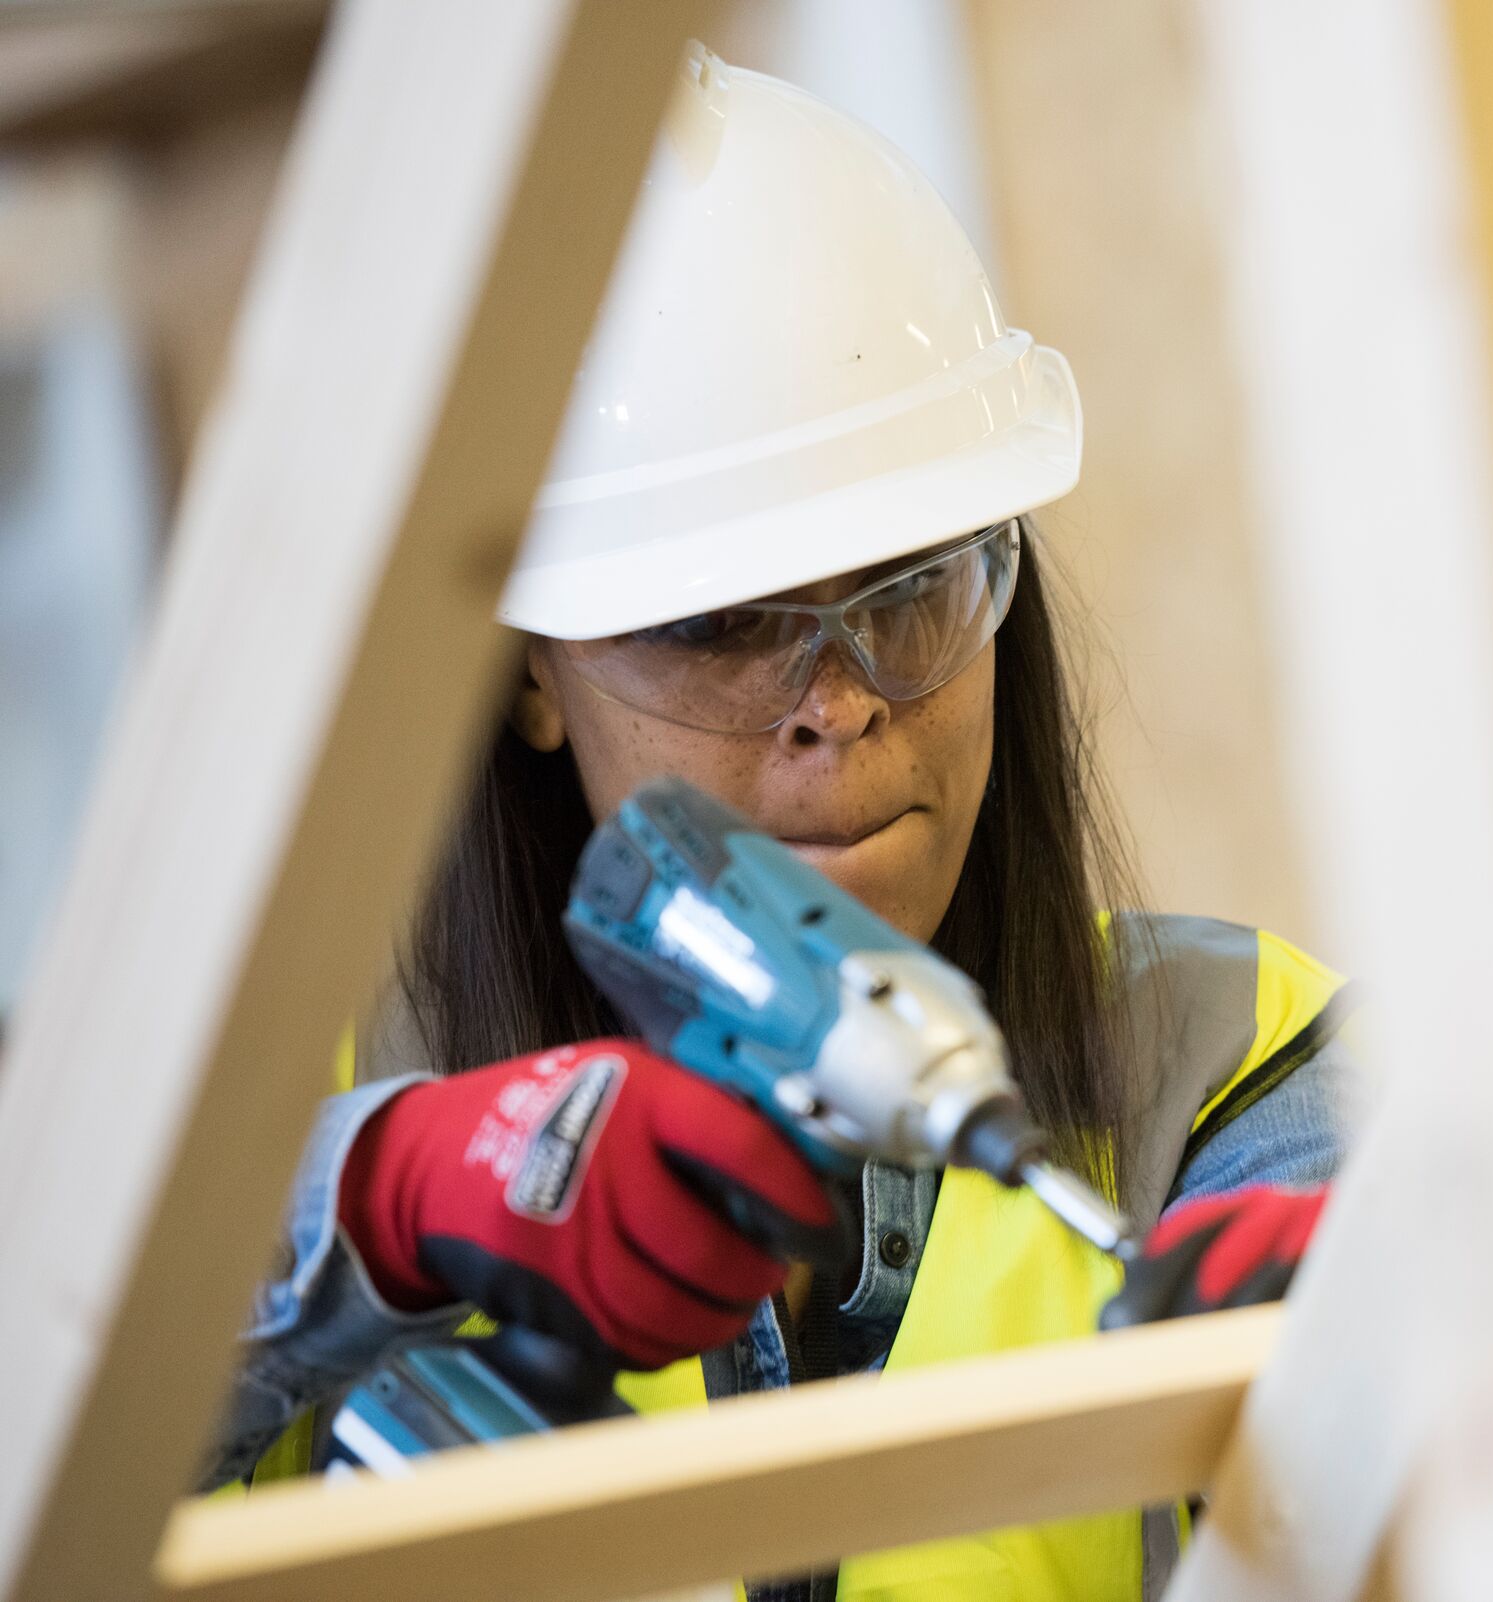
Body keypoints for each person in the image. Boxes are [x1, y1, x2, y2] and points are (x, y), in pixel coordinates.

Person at [205, 44, 1350, 1602]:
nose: (847, 703)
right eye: (730, 625)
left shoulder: (1229, 1061)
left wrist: (1392, 1319)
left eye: (916, 591)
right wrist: (385, 1198)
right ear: (535, 676)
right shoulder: (275, 1093)